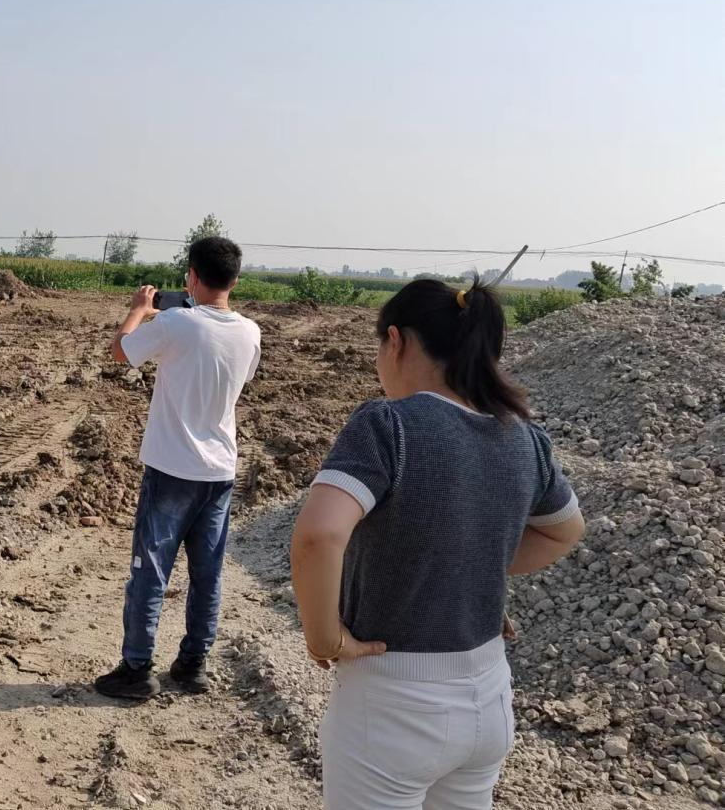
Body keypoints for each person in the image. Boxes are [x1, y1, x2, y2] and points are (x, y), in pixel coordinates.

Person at [291, 279, 586, 810]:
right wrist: (472, 566)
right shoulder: (524, 436)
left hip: (393, 704)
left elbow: (319, 535)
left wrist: (325, 640)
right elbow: (565, 531)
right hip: (489, 698)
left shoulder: (389, 425)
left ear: (396, 341)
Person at [94, 236, 262, 700]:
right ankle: (193, 665)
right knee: (207, 573)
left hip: (172, 469)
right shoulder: (250, 332)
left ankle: (136, 668)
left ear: (191, 276)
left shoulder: (174, 323)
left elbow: (121, 351)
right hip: (220, 471)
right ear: (234, 280)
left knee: (150, 569)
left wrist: (138, 311)